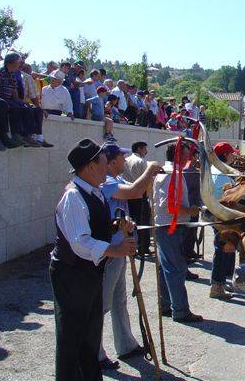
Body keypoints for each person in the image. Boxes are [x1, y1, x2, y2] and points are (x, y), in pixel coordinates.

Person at [50, 138, 137, 381]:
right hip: (72, 274)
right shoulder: (74, 197)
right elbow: (80, 242)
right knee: (72, 338)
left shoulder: (95, 191)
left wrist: (116, 225)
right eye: (102, 162)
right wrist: (115, 250)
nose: (107, 167)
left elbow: (94, 228)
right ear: (89, 167)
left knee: (90, 334)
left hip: (89, 273)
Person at [98, 142, 162, 369]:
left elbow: (139, 190)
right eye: (121, 158)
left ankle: (125, 344)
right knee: (102, 304)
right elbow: (135, 191)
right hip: (108, 252)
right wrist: (149, 168)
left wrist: (151, 176)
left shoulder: (117, 180)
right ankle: (94, 352)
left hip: (121, 249)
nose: (125, 161)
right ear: (112, 161)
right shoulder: (104, 182)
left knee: (119, 300)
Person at [152, 142, 203, 322]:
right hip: (170, 227)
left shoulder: (169, 172)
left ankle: (167, 304)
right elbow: (170, 205)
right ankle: (180, 310)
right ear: (178, 155)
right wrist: (191, 211)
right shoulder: (171, 174)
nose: (189, 158)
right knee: (175, 269)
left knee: (167, 268)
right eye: (186, 154)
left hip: (167, 226)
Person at [0, 52, 44, 147]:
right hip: (1, 99)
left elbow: (14, 90)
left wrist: (20, 102)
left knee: (26, 107)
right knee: (15, 108)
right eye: (19, 62)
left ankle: (27, 135)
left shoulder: (12, 74)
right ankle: (16, 134)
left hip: (10, 99)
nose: (21, 64)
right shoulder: (0, 73)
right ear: (11, 62)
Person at [210, 142, 238, 300]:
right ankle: (216, 286)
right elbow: (226, 198)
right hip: (222, 218)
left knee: (223, 251)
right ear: (226, 155)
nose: (234, 156)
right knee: (221, 251)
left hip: (221, 216)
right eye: (231, 153)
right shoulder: (221, 174)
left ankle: (220, 282)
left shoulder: (219, 171)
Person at [123, 141, 154, 256]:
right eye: (145, 149)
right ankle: (143, 247)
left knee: (130, 222)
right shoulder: (142, 161)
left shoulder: (125, 161)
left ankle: (132, 246)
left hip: (127, 195)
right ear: (139, 149)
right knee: (143, 222)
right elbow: (146, 181)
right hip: (140, 195)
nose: (146, 151)